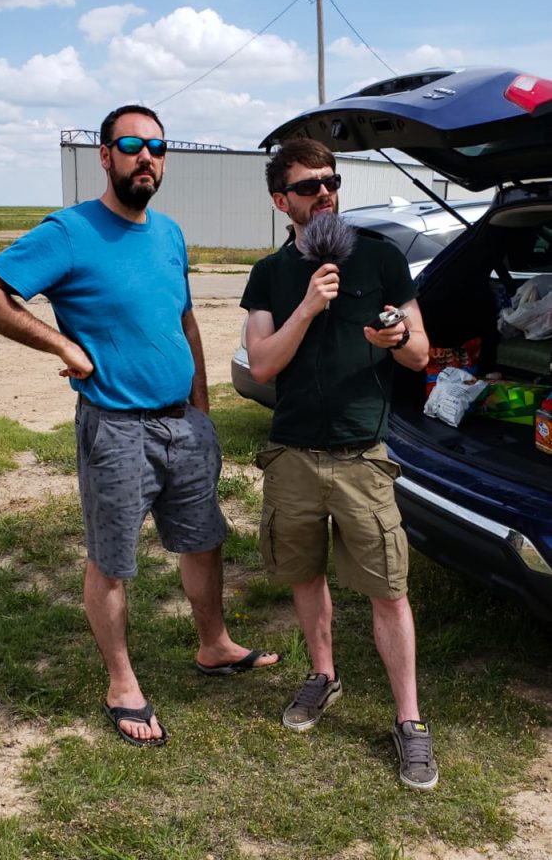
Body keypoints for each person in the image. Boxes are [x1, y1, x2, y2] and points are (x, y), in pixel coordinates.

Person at [0, 104, 279, 747]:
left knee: (203, 537)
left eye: (157, 147)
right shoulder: (71, 232)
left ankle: (213, 643)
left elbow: (184, 322)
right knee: (113, 560)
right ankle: (122, 683)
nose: (146, 157)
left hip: (181, 424)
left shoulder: (169, 233)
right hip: (116, 427)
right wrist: (62, 347)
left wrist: (202, 410)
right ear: (105, 155)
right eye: (131, 144)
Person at [241, 137, 438, 790]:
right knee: (304, 573)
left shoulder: (381, 259)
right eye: (307, 186)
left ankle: (408, 720)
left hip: (361, 456)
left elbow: (419, 355)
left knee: (387, 587)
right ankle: (322, 677)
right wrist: (308, 305)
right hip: (293, 454)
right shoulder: (269, 274)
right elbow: (262, 363)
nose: (324, 192)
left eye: (330, 181)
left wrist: (397, 335)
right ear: (281, 202)